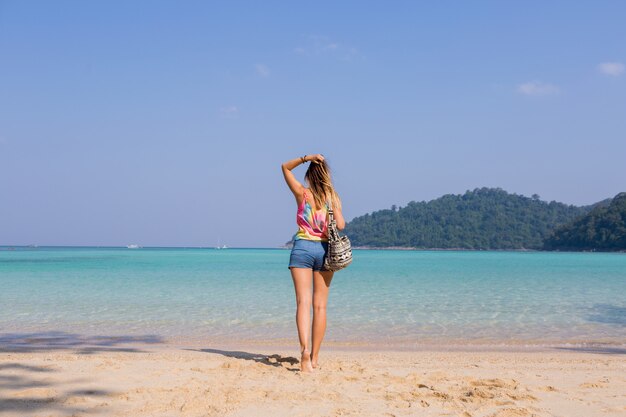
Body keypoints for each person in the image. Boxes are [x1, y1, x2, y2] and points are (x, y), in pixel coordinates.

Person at [281, 154, 345, 373]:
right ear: (326, 175)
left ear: (309, 176)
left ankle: (304, 353)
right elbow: (342, 225)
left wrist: (305, 157)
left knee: (302, 303)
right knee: (320, 306)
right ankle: (315, 358)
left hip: (302, 249)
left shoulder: (302, 193)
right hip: (325, 251)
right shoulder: (333, 197)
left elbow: (285, 168)